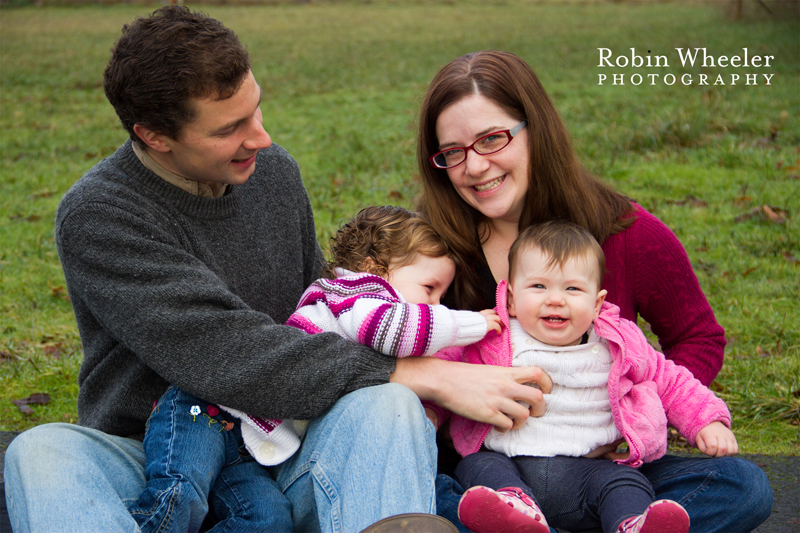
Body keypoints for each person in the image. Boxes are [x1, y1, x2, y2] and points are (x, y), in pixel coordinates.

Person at [6, 9, 555, 533]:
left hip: (285, 444)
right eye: (229, 129)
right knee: (42, 451)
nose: (261, 138)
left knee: (386, 406)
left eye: (256, 110)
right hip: (155, 457)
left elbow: (318, 313)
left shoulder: (271, 174)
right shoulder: (102, 214)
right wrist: (429, 374)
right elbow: (223, 349)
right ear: (153, 135)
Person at [415, 50, 772, 532]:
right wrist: (453, 393)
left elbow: (697, 337)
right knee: (422, 494)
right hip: (488, 471)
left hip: (601, 470)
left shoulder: (626, 232)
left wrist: (638, 418)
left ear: (534, 129)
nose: (474, 167)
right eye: (452, 152)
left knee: (743, 486)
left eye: (491, 139)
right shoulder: (431, 249)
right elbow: (390, 349)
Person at [126, 204, 504, 533]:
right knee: (178, 493)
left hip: (249, 450)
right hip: (202, 410)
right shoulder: (354, 298)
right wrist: (471, 325)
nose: (435, 304)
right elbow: (397, 332)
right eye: (430, 288)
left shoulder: (369, 307)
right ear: (375, 269)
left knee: (266, 521)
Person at [439, 221, 738, 533]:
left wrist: (707, 420)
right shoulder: (491, 336)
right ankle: (518, 511)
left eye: (572, 289)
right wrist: (432, 412)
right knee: (474, 466)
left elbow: (670, 379)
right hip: (510, 464)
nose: (555, 299)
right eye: (539, 287)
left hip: (590, 470)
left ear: (596, 303)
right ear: (511, 299)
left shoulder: (618, 343)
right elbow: (446, 370)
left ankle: (630, 524)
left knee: (626, 482)